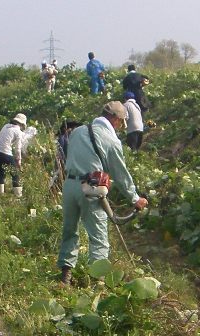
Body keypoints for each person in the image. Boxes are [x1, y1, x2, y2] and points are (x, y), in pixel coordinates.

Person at [57, 101, 148, 284]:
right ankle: (96, 283)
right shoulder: (111, 140)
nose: (122, 126)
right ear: (115, 119)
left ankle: (65, 277)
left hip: (69, 185)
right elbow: (120, 173)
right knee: (98, 239)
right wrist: (135, 198)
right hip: (90, 188)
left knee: (70, 231)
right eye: (122, 121)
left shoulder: (77, 132)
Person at [0, 113, 27, 197]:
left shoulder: (6, 126)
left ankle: (0, 194)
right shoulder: (18, 132)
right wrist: (18, 161)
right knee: (15, 174)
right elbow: (17, 149)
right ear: (22, 124)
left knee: (2, 172)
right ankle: (18, 196)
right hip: (5, 153)